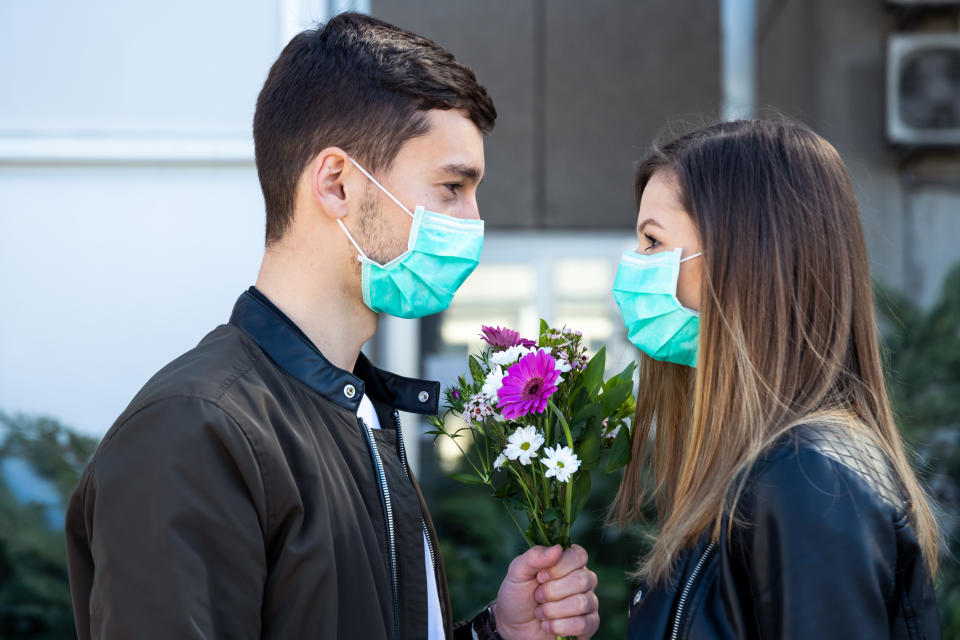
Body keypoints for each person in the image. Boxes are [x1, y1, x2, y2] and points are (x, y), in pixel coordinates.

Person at [64, 12, 599, 640]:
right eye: (451, 187)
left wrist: (497, 636)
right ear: (338, 184)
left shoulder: (360, 413)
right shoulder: (194, 429)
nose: (473, 220)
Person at [610, 119, 941, 639]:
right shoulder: (773, 470)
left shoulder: (807, 479)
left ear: (744, 257)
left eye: (652, 242)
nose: (633, 267)